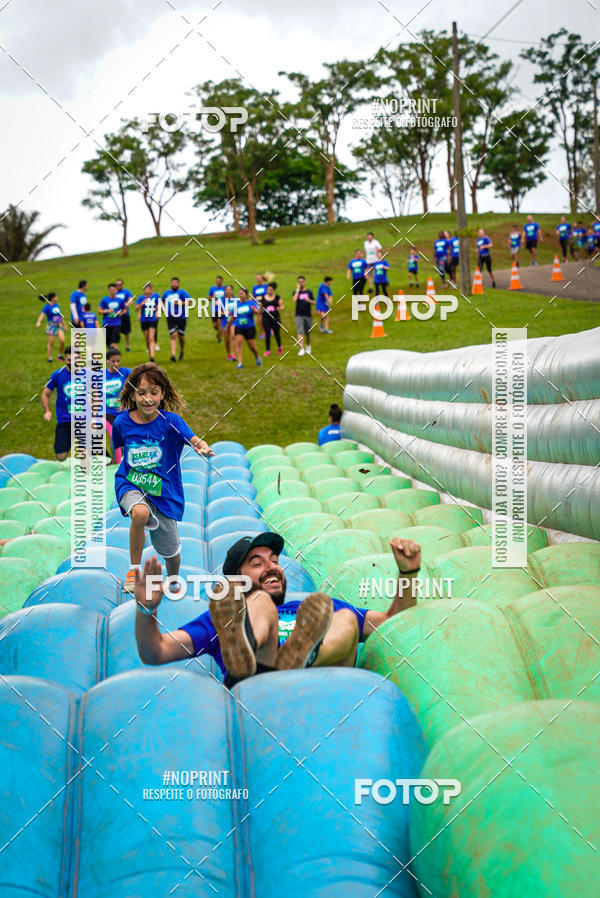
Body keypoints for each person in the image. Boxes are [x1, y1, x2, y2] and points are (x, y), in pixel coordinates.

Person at [133, 532, 422, 688]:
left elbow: (392, 624)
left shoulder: (312, 608)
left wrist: (408, 574)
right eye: (257, 563)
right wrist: (146, 610)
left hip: (326, 697)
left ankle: (301, 658)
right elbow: (156, 651)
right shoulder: (223, 619)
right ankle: (249, 651)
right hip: (260, 691)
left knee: (345, 617)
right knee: (259, 602)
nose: (271, 567)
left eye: (274, 560)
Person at [111, 362, 213, 595]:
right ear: (132, 395)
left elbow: (193, 438)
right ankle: (133, 572)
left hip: (163, 490)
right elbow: (121, 449)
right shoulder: (121, 423)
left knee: (171, 552)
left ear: (162, 394)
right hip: (130, 483)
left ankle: (173, 577)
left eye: (153, 392)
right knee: (140, 513)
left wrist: (201, 446)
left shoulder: (171, 422)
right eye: (141, 393)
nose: (148, 398)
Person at [41, 347, 74, 460]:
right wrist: (47, 411)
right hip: (64, 420)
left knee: (89, 451)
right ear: (65, 359)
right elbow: (45, 394)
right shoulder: (57, 375)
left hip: (83, 420)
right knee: (61, 456)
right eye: (69, 360)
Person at [229, 287, 261, 369]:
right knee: (238, 342)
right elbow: (233, 316)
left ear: (246, 295)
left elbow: (257, 312)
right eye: (239, 293)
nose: (240, 295)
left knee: (251, 346)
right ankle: (240, 363)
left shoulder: (251, 303)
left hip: (250, 327)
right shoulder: (237, 305)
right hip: (239, 327)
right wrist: (228, 325)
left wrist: (255, 310)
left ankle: (257, 356)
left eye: (242, 293)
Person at [162, 276, 190, 362]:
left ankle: (181, 350)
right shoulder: (167, 293)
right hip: (170, 317)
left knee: (181, 337)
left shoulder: (182, 292)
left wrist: (180, 303)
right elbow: (162, 301)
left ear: (178, 284)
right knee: (173, 335)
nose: (174, 285)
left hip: (181, 317)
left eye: (175, 283)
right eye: (172, 283)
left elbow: (189, 302)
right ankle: (173, 355)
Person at [36, 293, 65, 362]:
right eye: (56, 296)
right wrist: (39, 322)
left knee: (62, 341)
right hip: (51, 326)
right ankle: (50, 358)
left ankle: (59, 356)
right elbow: (42, 315)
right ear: (53, 298)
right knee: (51, 342)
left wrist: (64, 325)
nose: (57, 298)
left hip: (58, 325)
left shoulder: (57, 305)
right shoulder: (47, 307)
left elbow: (60, 316)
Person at [136, 282, 160, 362]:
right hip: (144, 320)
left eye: (148, 289)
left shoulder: (156, 296)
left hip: (153, 319)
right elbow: (136, 308)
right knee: (147, 339)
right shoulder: (141, 298)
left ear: (151, 289)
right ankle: (150, 353)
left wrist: (157, 311)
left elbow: (160, 305)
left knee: (151, 338)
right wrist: (142, 303)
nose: (147, 291)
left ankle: (152, 357)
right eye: (145, 289)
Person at [99, 282, 127, 348]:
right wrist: (107, 311)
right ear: (108, 290)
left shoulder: (120, 300)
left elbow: (125, 309)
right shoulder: (104, 300)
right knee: (108, 343)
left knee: (115, 342)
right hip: (107, 323)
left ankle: (115, 353)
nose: (112, 292)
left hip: (117, 324)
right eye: (111, 290)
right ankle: (111, 353)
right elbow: (99, 311)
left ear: (116, 290)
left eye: (114, 290)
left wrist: (121, 313)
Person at [293, 276, 315, 357]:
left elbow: (314, 302)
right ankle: (302, 349)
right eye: (299, 282)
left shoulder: (309, 292)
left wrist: (309, 300)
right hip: (299, 315)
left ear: (305, 282)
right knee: (300, 331)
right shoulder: (296, 292)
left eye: (302, 281)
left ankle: (308, 346)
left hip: (308, 315)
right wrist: (297, 290)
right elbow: (294, 300)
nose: (300, 283)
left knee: (307, 333)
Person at [261, 281, 284, 356]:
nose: (269, 291)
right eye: (268, 290)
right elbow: (260, 307)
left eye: (270, 290)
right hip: (266, 319)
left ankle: (279, 347)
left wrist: (279, 308)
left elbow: (282, 306)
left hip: (275, 319)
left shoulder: (277, 297)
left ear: (273, 290)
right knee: (267, 334)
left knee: (277, 334)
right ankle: (268, 350)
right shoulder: (263, 298)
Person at [115, 279, 134, 353]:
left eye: (120, 284)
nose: (119, 286)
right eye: (117, 284)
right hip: (116, 315)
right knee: (116, 332)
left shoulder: (126, 291)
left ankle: (127, 346)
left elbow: (131, 300)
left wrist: (126, 305)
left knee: (126, 332)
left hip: (125, 314)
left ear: (122, 285)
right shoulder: (114, 292)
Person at [209, 275, 226, 342]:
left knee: (219, 322)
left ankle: (219, 338)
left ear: (222, 281)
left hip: (221, 308)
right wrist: (212, 297)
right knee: (215, 325)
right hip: (214, 309)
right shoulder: (212, 288)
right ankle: (219, 331)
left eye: (219, 281)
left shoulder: (224, 288)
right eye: (217, 281)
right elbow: (208, 298)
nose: (218, 282)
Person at [222, 284, 237, 362]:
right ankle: (229, 354)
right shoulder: (222, 301)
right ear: (225, 291)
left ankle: (233, 354)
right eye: (227, 290)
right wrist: (225, 313)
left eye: (230, 289)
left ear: (232, 290)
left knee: (233, 336)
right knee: (227, 340)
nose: (228, 291)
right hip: (225, 322)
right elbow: (217, 312)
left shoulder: (236, 300)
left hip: (234, 322)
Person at [252, 274, 268, 340]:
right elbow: (253, 296)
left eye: (259, 278)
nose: (258, 279)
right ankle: (263, 333)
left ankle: (269, 329)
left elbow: (268, 295)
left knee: (266, 318)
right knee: (259, 319)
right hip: (258, 305)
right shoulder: (255, 287)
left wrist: (261, 298)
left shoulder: (266, 286)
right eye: (257, 278)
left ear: (262, 279)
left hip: (265, 304)